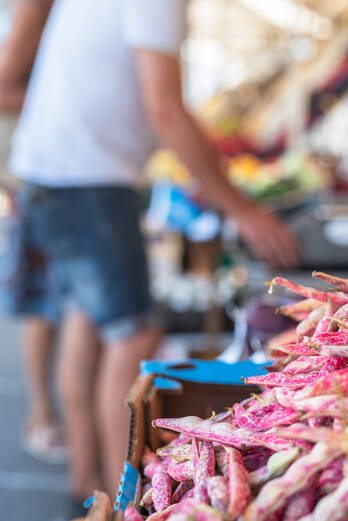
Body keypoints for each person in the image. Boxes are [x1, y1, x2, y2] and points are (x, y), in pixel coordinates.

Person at [4, 0, 298, 500]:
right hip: (88, 182)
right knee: (134, 336)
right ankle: (127, 499)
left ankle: (90, 484)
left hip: (53, 174)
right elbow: (164, 108)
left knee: (87, 322)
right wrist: (239, 207)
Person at [0, 0, 66, 464]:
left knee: (63, 304)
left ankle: (54, 416)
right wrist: (66, 101)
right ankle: (42, 415)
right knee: (45, 303)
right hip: (38, 174)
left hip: (50, 172)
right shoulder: (31, 7)